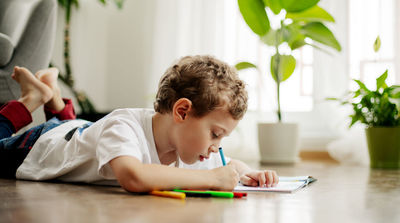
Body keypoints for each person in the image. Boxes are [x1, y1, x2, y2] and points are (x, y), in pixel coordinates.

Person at [0, 56, 279, 192]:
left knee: (82, 135)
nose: (216, 146)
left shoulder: (188, 142)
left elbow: (229, 165)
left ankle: (54, 100)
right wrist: (210, 179)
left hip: (81, 133)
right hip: (41, 145)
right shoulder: (123, 126)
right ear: (182, 111)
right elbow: (133, 177)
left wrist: (249, 172)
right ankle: (31, 99)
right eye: (215, 134)